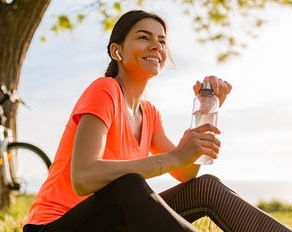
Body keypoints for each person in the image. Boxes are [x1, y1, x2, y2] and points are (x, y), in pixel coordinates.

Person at [23, 10, 291, 232]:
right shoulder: (104, 90)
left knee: (205, 187)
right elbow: (83, 177)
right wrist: (173, 159)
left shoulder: (149, 113)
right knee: (130, 184)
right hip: (54, 226)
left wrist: (205, 110)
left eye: (162, 41)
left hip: (111, 223)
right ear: (117, 51)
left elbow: (186, 172)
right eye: (143, 37)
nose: (156, 46)